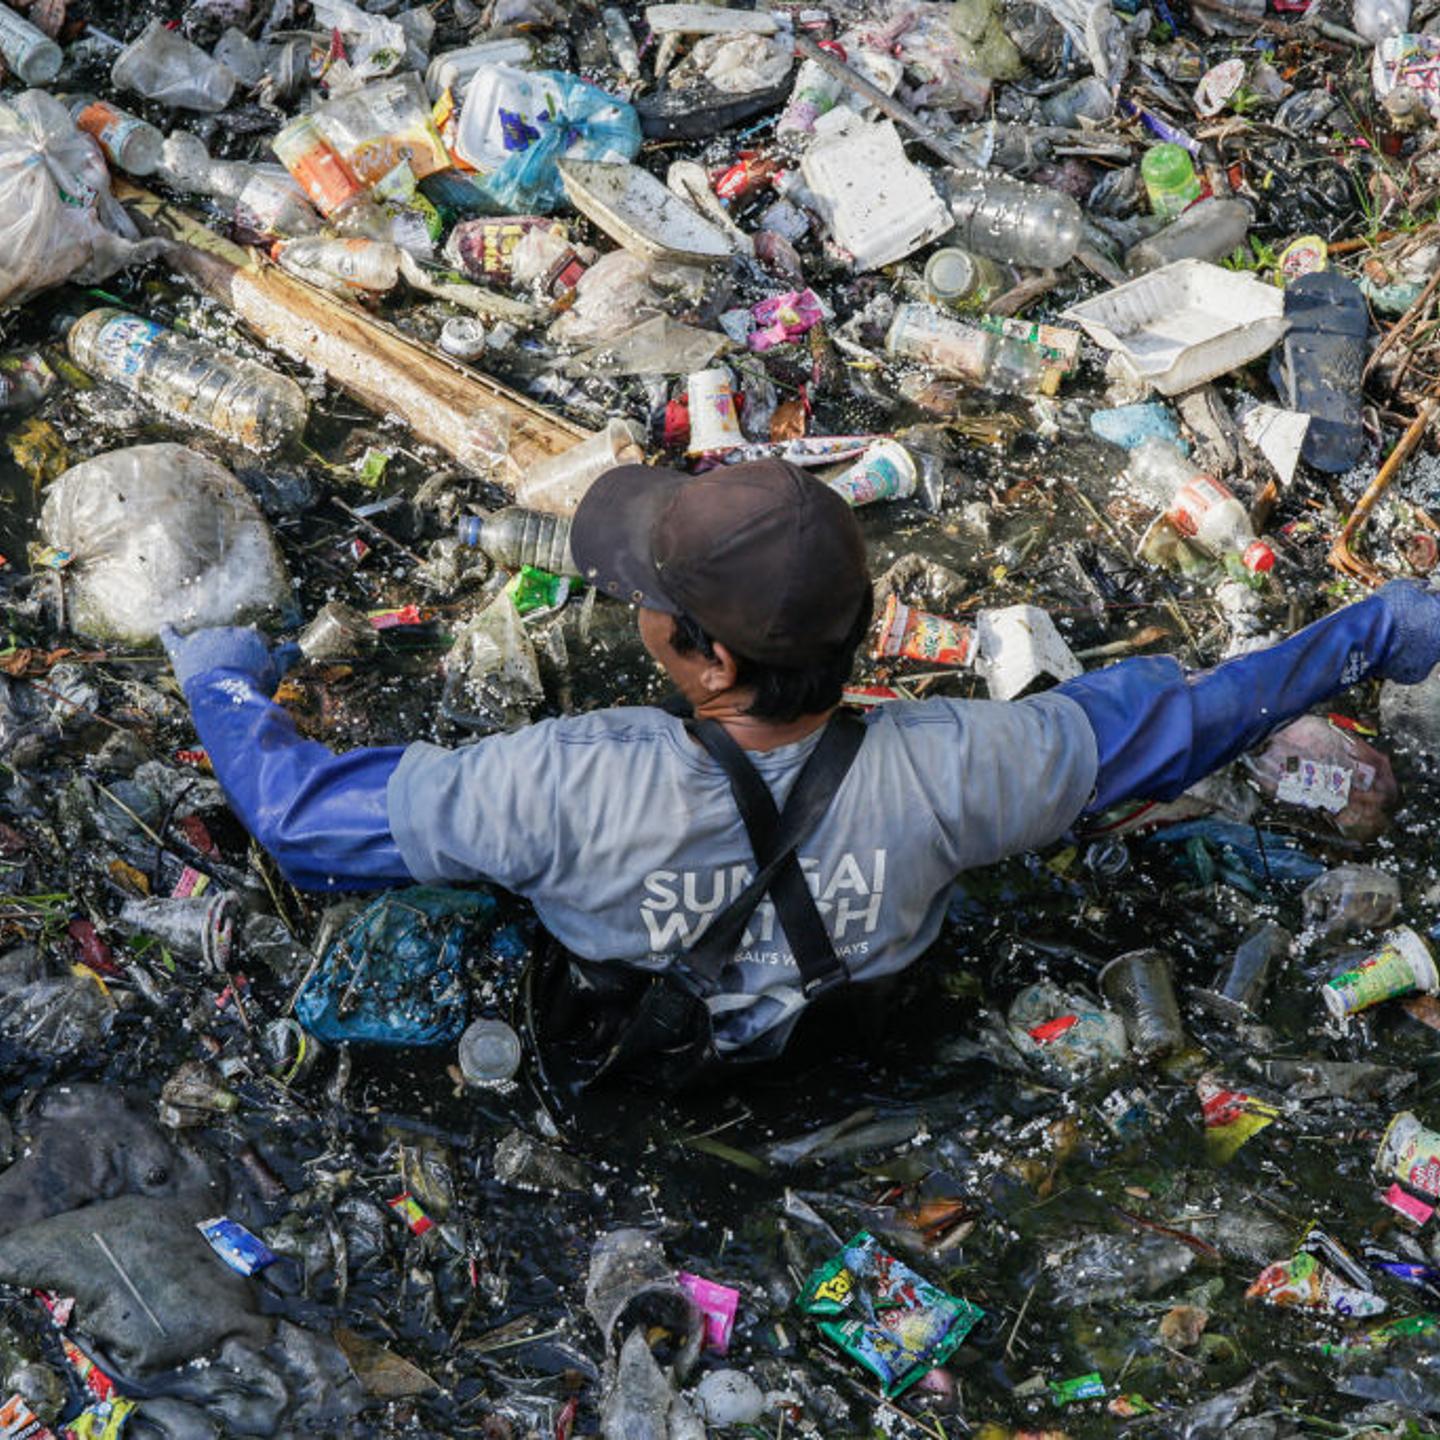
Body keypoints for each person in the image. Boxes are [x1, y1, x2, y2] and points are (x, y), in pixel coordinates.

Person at [163, 459, 1440, 1073]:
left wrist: (221, 676)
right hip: (856, 1034)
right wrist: (1377, 629)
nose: (631, 613)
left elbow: (299, 820)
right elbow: (1191, 722)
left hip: (624, 1035)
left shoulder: (562, 779)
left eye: (646, 601)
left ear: (704, 658)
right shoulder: (969, 764)